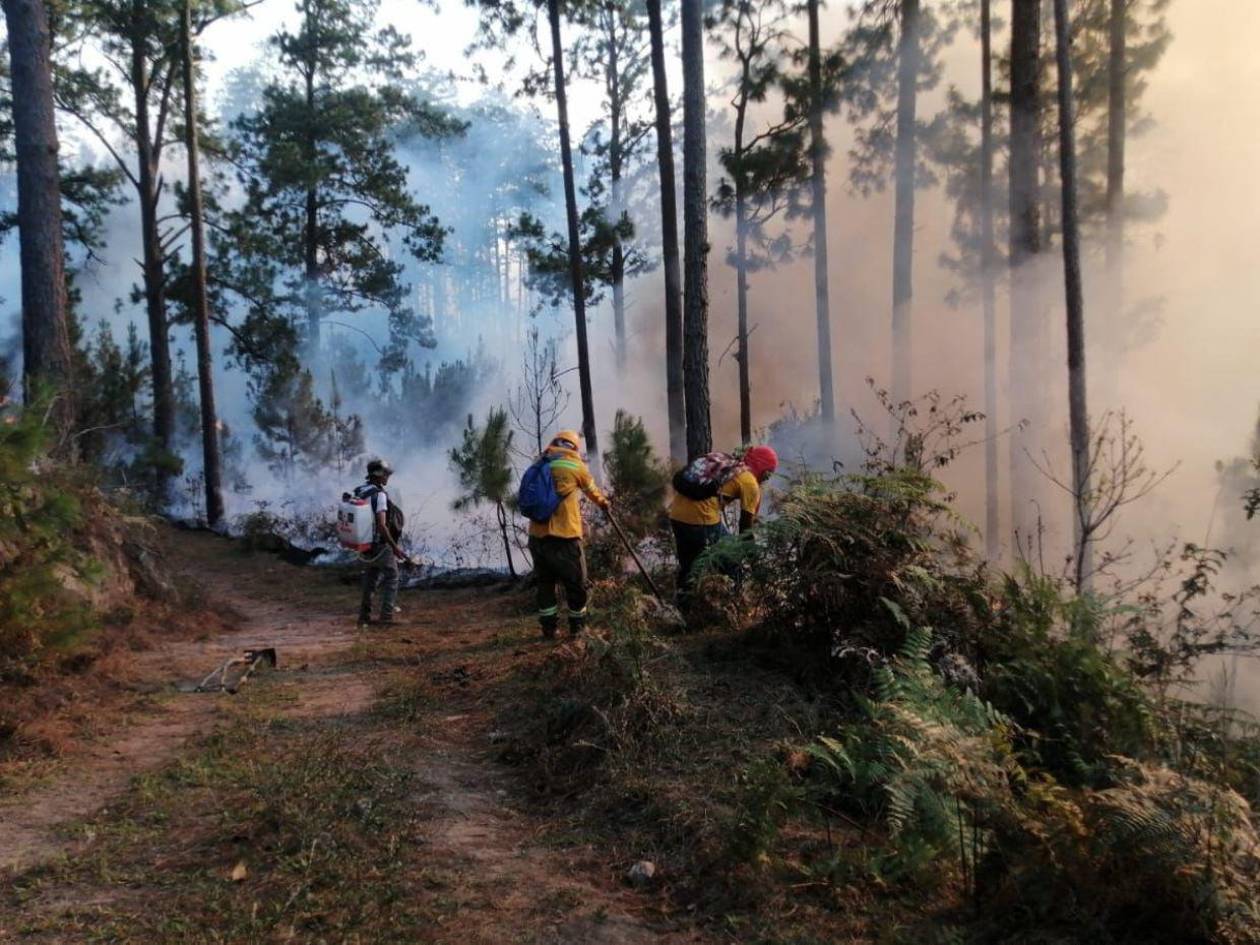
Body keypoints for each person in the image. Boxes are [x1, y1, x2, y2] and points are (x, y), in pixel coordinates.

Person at [668, 445, 778, 609]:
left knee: (689, 568)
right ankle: (736, 610)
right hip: (701, 519)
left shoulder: (728, 464)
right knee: (733, 561)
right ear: (764, 470)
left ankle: (682, 615)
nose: (766, 479)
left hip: (676, 515)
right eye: (768, 474)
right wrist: (756, 565)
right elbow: (746, 531)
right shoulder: (750, 483)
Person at [528, 430, 609, 639]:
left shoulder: (539, 463)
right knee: (576, 584)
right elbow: (592, 491)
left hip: (537, 537)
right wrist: (604, 503)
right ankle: (578, 629)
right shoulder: (575, 466)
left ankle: (549, 629)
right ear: (574, 447)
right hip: (564, 537)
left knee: (545, 584)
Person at [356, 458, 408, 629]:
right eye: (385, 474)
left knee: (370, 579)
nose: (387, 477)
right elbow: (382, 525)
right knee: (392, 576)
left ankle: (364, 617)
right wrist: (395, 548)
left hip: (364, 544)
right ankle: (386, 617)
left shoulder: (360, 490)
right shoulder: (379, 495)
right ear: (378, 475)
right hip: (379, 545)